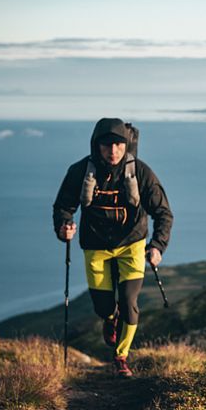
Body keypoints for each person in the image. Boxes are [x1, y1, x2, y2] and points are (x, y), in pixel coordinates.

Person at [53, 117, 173, 378]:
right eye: (107, 145)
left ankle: (121, 356)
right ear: (96, 146)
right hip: (95, 246)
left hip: (131, 244)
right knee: (103, 306)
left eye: (119, 145)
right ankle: (109, 318)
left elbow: (163, 212)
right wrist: (64, 226)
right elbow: (63, 206)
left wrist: (157, 246)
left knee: (130, 302)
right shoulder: (80, 171)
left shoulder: (140, 172)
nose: (113, 151)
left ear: (126, 145)